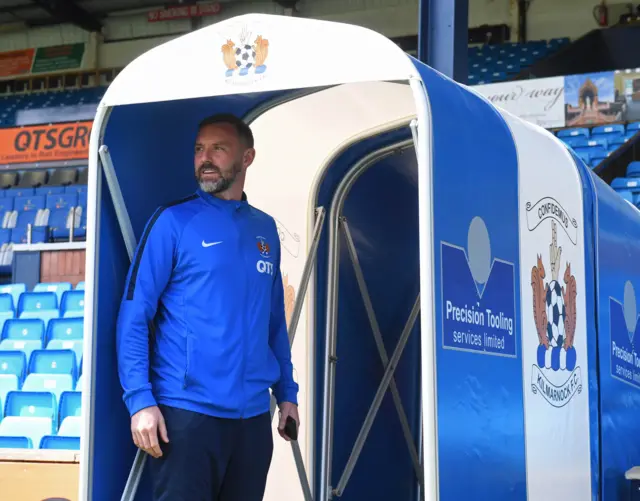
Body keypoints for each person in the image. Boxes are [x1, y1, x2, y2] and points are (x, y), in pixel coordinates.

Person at [115, 113, 300, 501]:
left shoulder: (264, 229)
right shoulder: (173, 222)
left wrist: (287, 394)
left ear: (247, 157)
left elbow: (273, 325)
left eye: (219, 148)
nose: (205, 158)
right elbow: (134, 315)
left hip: (251, 420)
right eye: (199, 149)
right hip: (186, 416)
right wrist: (140, 401)